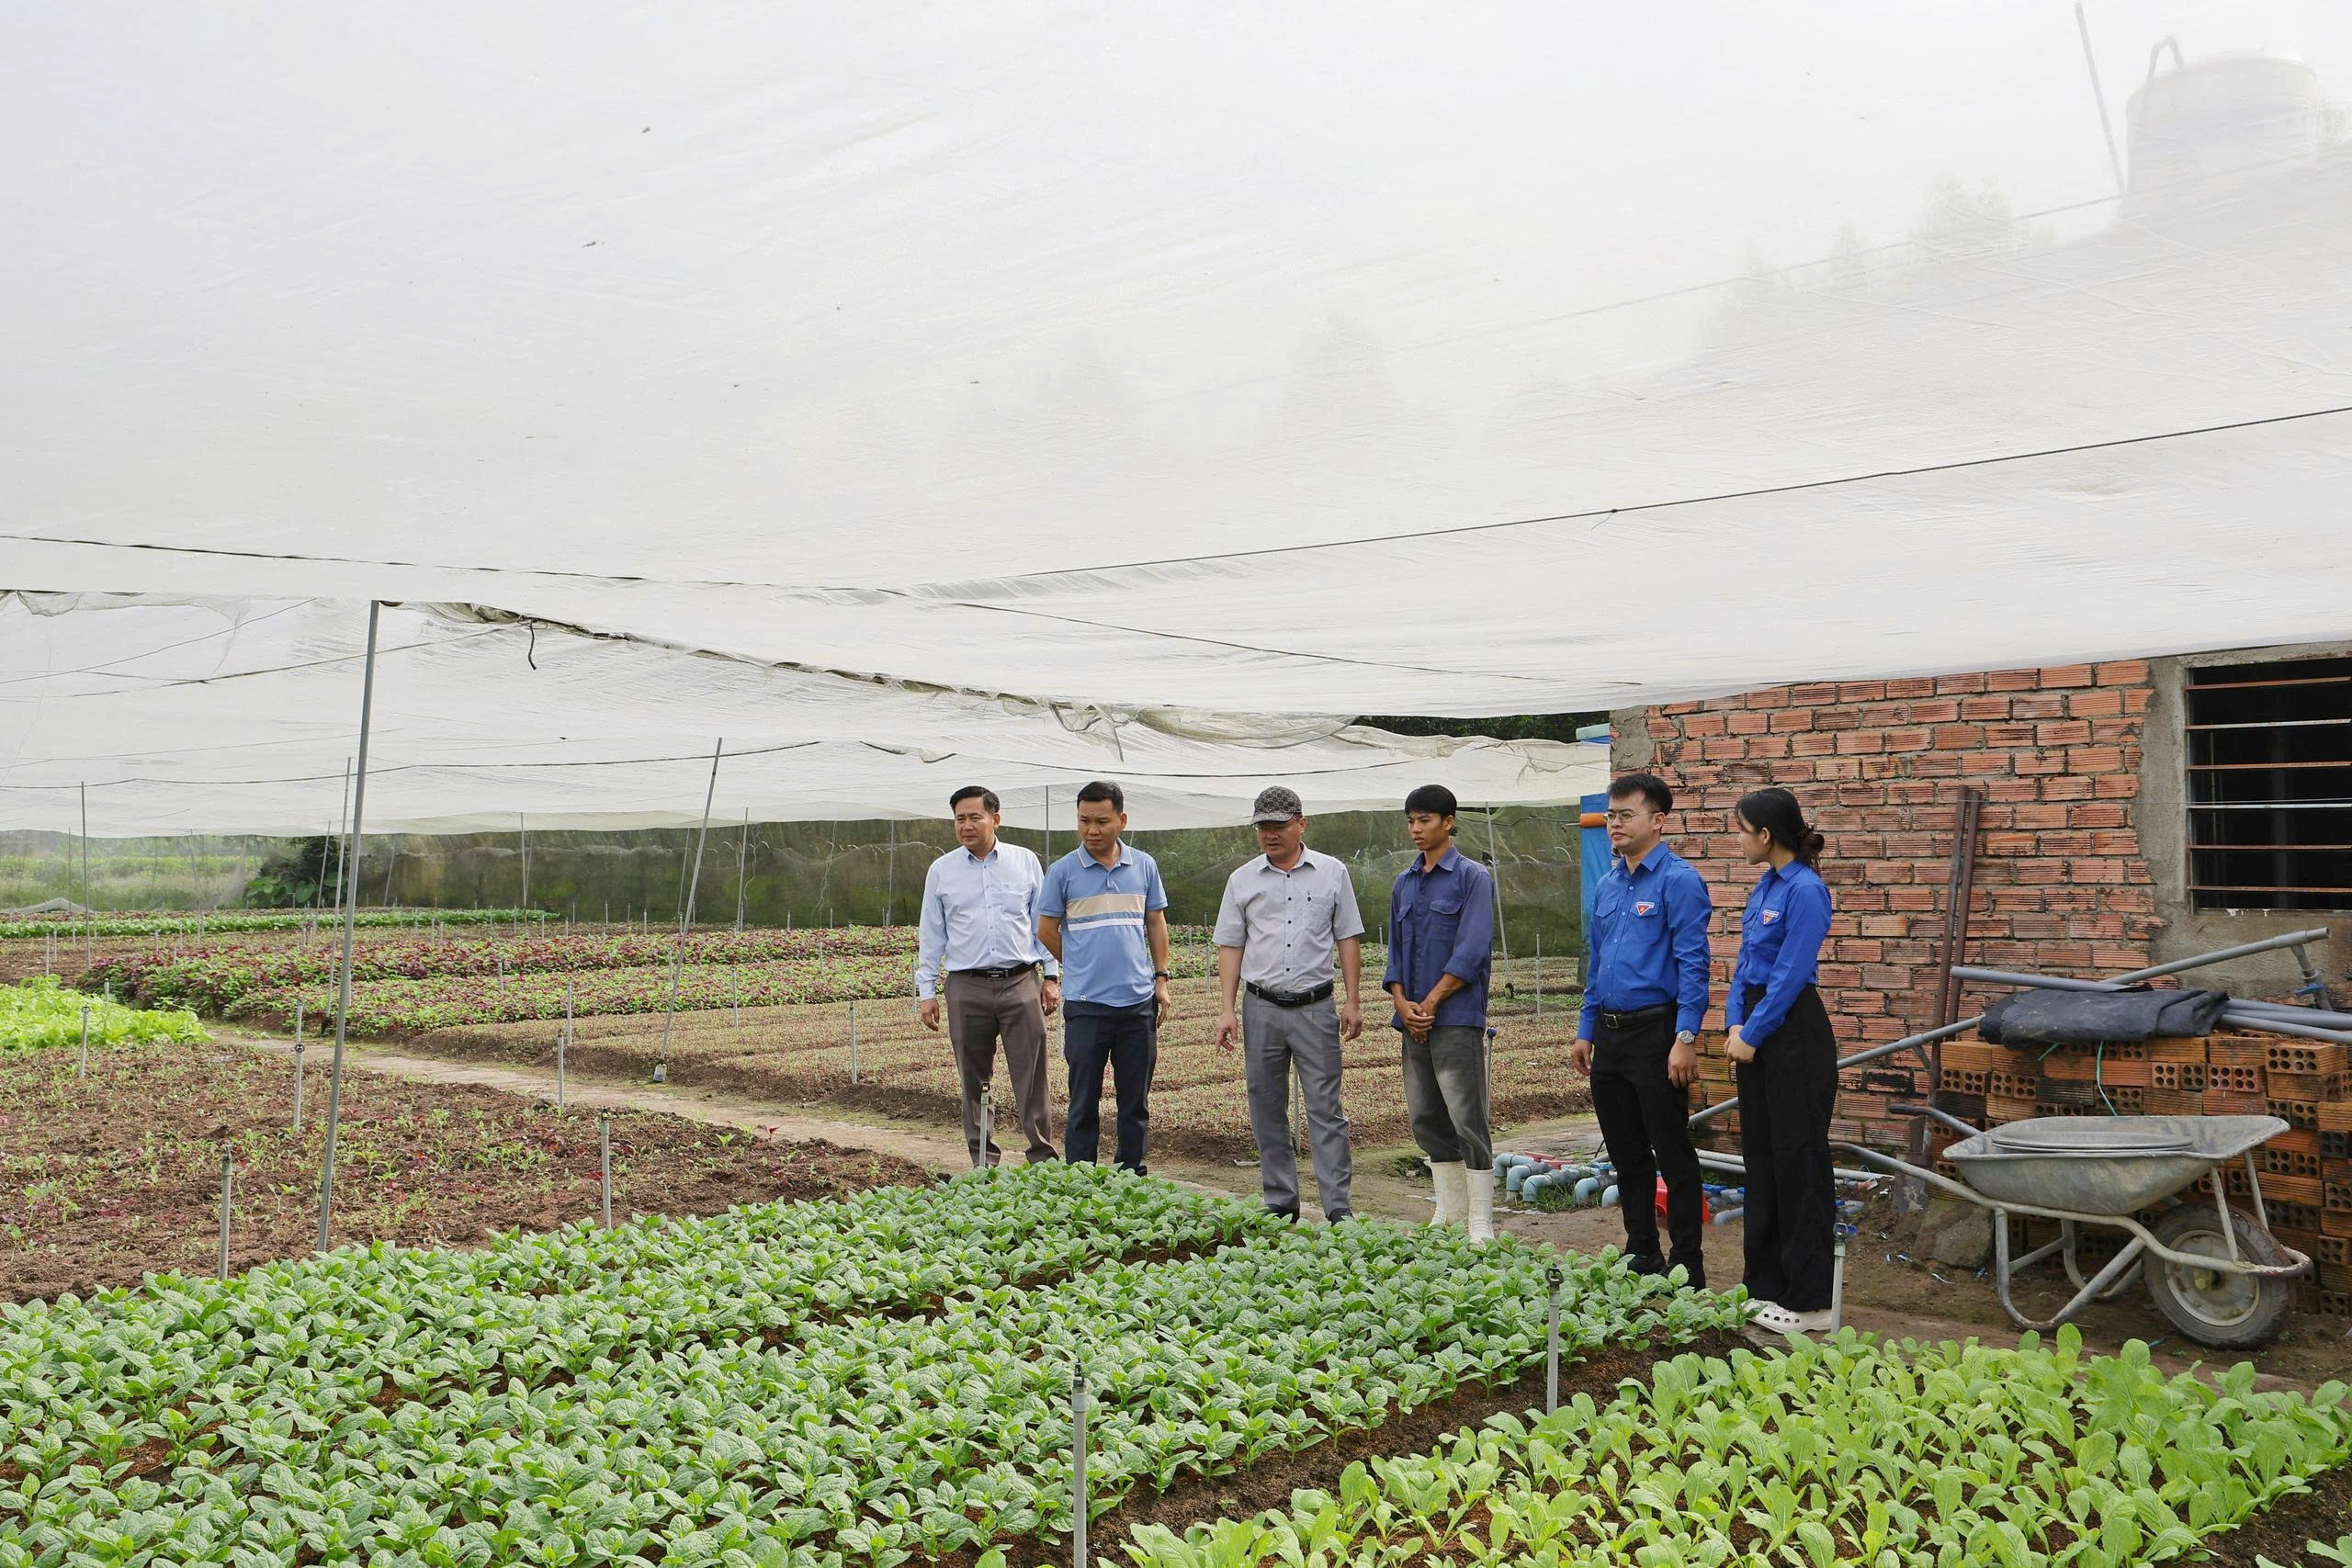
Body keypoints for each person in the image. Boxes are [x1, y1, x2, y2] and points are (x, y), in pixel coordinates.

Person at [1570, 772, 1713, 1288]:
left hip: (1658, 1032)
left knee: (1671, 1149)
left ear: (1658, 820)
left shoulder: (1679, 881)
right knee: (1625, 1149)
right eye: (1611, 815)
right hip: (1610, 1035)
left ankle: (1687, 1262)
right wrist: (1586, 1028)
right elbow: (1597, 963)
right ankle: (1642, 1250)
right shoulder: (1608, 884)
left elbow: (1694, 965)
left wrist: (1685, 1037)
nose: (1615, 824)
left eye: (1626, 815)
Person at [1213, 786, 1366, 1223]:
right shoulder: (1242, 880)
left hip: (1315, 1006)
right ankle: (1281, 1202)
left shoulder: (1332, 873)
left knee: (1325, 1108)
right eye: (1263, 827)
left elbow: (1347, 937)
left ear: (1301, 824)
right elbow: (1230, 945)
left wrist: (1353, 1000)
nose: (1270, 834)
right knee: (1265, 1105)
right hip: (1260, 1005)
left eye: (1279, 825)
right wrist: (1227, 1008)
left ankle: (1338, 1208)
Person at [1722, 786, 1838, 1334]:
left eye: (1743, 831)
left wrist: (1754, 1032)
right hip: (1756, 1026)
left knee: (1799, 1163)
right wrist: (1735, 1022)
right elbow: (1745, 963)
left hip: (1793, 1033)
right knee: (1762, 1160)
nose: (1738, 841)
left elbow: (1791, 975)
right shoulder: (1765, 885)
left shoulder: (1806, 891)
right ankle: (1764, 1285)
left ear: (1766, 835)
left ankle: (1811, 1302)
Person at [914, 785, 1061, 1167]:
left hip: (1021, 981)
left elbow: (1041, 924)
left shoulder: (1024, 861)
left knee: (1031, 1073)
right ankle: (983, 1161)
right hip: (966, 986)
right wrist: (926, 991)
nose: (966, 825)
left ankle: (1042, 1159)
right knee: (973, 1076)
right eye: (959, 818)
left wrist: (1051, 976)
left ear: (995, 819)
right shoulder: (942, 870)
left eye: (974, 817)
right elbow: (932, 934)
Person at [1383, 784, 1499, 1243]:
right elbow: (1394, 951)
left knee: (1466, 1116)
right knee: (1426, 1116)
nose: (1416, 829)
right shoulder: (1404, 882)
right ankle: (1448, 1211)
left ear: (1449, 822)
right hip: (1412, 1021)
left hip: (1455, 1018)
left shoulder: (1472, 878)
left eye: (1425, 820)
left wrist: (1430, 1002)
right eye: (1411, 820)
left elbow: (1472, 951)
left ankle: (1480, 1221)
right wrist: (1401, 1001)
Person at [1038, 780, 1171, 1173]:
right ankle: (1081, 1177)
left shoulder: (1144, 865)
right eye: (1084, 821)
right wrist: (1078, 962)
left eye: (1101, 821)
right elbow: (1045, 930)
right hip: (1086, 1005)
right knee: (1083, 1100)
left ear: (1121, 820)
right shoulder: (1063, 871)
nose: (1091, 830)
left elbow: (1156, 922)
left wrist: (1160, 978)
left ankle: (1132, 1174)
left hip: (1137, 1004)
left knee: (1135, 1101)